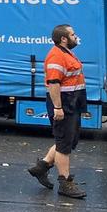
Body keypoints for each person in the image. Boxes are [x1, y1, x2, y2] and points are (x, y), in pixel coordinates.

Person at [27, 23, 88, 199]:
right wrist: (58, 108)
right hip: (64, 105)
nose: (76, 37)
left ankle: (42, 167)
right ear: (63, 39)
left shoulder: (66, 52)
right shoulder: (56, 56)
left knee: (69, 141)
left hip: (72, 103)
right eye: (73, 34)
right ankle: (65, 183)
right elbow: (54, 84)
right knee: (64, 145)